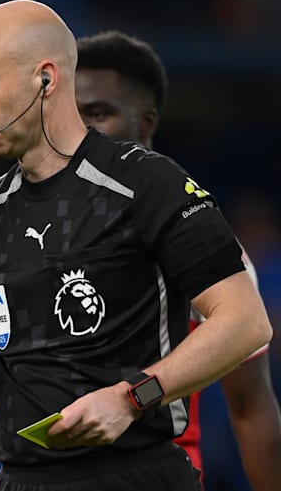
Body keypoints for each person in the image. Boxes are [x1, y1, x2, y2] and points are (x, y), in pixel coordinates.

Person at [0, 0, 273, 491]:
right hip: (21, 480)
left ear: (45, 78)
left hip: (136, 475)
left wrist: (132, 398)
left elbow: (245, 322)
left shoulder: (145, 182)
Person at [74, 29, 281, 491]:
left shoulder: (192, 242)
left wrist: (133, 399)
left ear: (145, 123)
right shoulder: (28, 230)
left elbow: (250, 406)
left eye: (99, 113)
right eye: (72, 116)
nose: (82, 131)